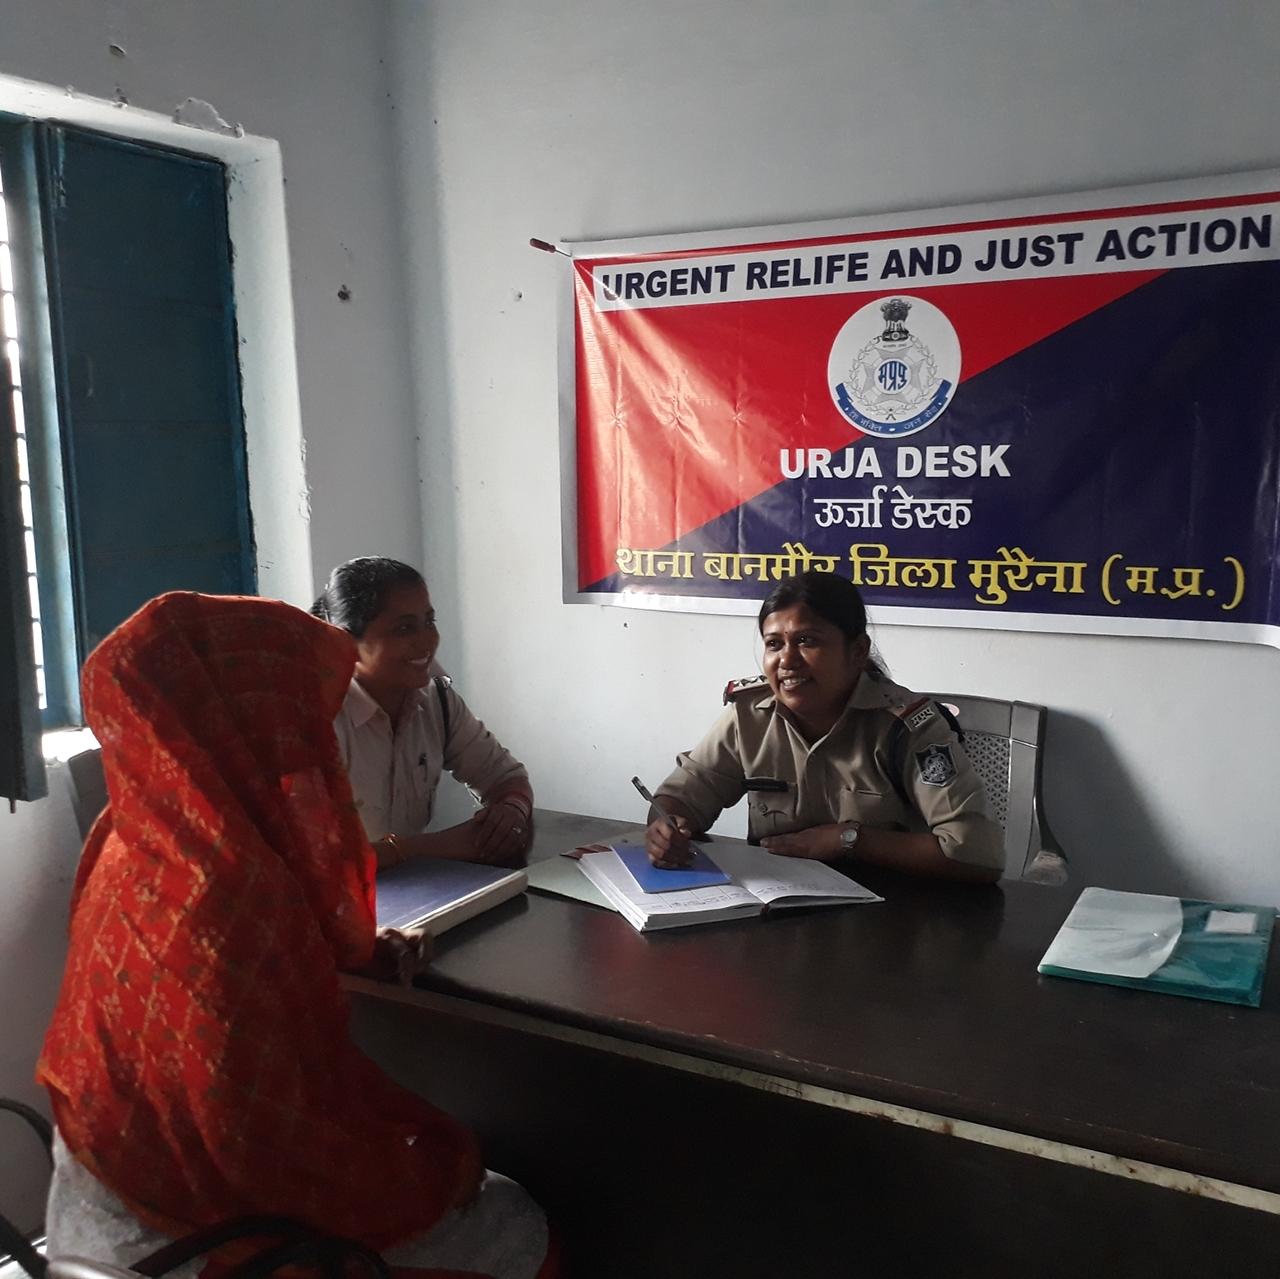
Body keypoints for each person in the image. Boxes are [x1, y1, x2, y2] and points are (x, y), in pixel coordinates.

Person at [37, 592, 553, 1279]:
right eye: (297, 705)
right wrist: (424, 1176)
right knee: (514, 1218)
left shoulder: (132, 835)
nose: (309, 728)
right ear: (247, 714)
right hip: (181, 1228)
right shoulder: (228, 899)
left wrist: (354, 949)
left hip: (104, 1177)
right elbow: (265, 1148)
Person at [645, 571, 1005, 882]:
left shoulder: (908, 727)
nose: (787, 660)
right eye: (774, 644)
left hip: (892, 916)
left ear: (857, 652)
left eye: (807, 641)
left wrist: (849, 840)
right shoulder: (749, 714)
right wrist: (667, 829)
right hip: (776, 909)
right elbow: (682, 796)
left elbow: (977, 857)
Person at [311, 558, 532, 868]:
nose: (427, 641)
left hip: (413, 894)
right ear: (347, 642)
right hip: (338, 905)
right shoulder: (318, 719)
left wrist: (511, 812)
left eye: (429, 621)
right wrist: (429, 847)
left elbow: (505, 777)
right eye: (404, 628)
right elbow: (318, 862)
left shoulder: (436, 701)